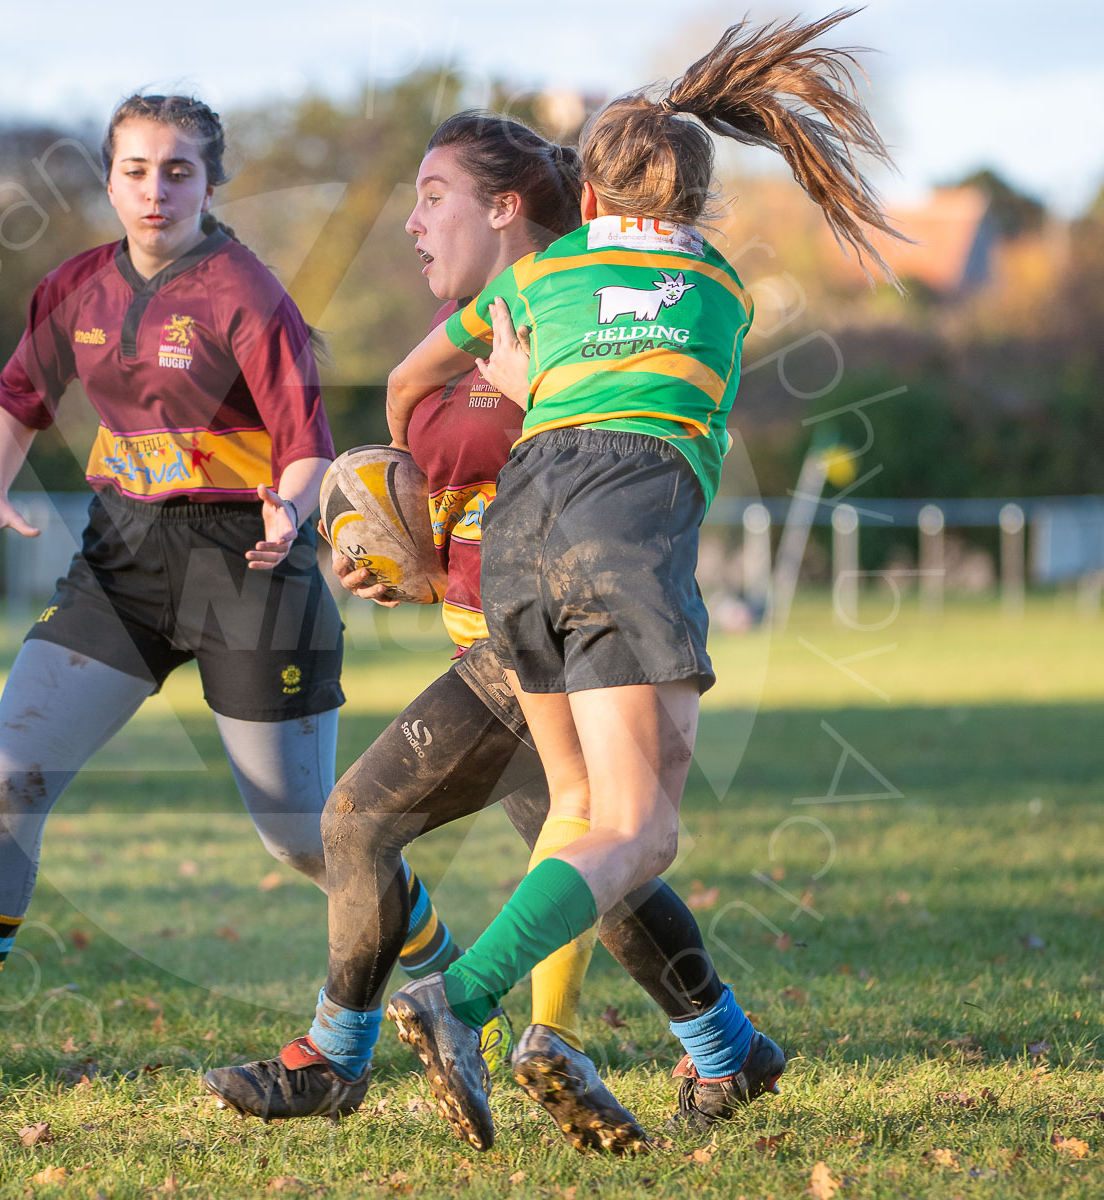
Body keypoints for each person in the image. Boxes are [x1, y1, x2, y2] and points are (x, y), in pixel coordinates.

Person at [0, 94, 477, 1074]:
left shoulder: (247, 294)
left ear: (212, 183)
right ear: (108, 179)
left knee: (306, 839)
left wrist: (289, 512)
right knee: (11, 779)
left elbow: (310, 450)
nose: (156, 188)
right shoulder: (78, 287)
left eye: (178, 170)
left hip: (248, 572)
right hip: (120, 566)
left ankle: (450, 977)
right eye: (136, 169)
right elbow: (17, 398)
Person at [380, 12, 903, 1150]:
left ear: (591, 194)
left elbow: (412, 373)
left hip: (518, 530)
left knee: (580, 810)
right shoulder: (721, 288)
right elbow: (655, 377)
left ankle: (620, 1037)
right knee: (643, 831)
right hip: (620, 534)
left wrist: (417, 495)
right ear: (694, 203)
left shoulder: (545, 272)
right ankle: (459, 1001)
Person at [205, 112, 767, 1154]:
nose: (412, 222)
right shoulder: (681, 292)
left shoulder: (538, 304)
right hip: (540, 609)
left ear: (511, 208)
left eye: (432, 197)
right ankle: (706, 1045)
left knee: (489, 829)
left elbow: (549, 444)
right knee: (611, 846)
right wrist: (401, 540)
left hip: (524, 628)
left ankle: (358, 1053)